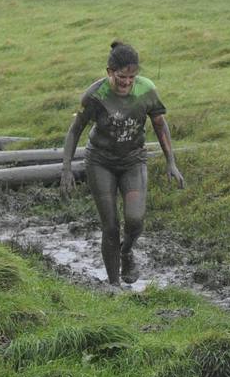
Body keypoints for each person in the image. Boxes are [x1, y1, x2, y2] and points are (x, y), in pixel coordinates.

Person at [59, 41, 185, 286]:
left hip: (133, 160)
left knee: (135, 220)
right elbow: (75, 130)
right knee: (110, 226)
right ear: (109, 72)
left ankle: (126, 251)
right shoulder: (95, 95)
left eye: (131, 77)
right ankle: (114, 285)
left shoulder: (146, 90)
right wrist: (66, 169)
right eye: (121, 77)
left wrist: (171, 162)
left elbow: (160, 125)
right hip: (100, 161)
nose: (126, 82)